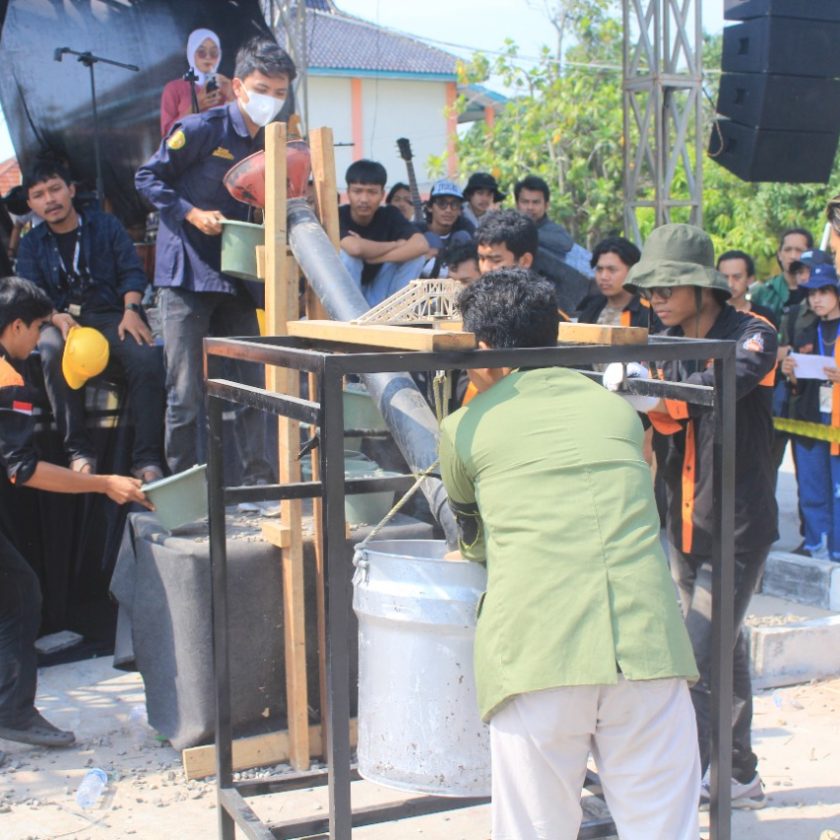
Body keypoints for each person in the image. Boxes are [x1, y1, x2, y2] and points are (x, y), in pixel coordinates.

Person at [439, 268, 700, 840]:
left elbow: (474, 538)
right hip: (649, 648)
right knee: (664, 829)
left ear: (482, 348)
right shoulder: (616, 412)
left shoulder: (463, 428)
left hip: (538, 653)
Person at [624, 223, 778, 810]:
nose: (656, 299)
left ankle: (673, 792)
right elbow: (659, 416)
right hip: (685, 523)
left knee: (696, 658)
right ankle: (738, 774)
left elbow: (725, 380)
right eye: (650, 290)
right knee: (723, 649)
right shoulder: (662, 341)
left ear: (701, 286)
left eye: (666, 288)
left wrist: (656, 394)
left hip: (736, 525)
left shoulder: (752, 332)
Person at [136, 37, 294, 502]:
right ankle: (184, 496)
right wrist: (190, 213)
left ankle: (260, 487)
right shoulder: (199, 127)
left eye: (280, 93)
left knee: (252, 389)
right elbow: (147, 177)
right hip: (187, 274)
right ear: (238, 86)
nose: (271, 100)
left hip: (240, 279)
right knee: (185, 393)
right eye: (262, 89)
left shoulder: (274, 143)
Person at [0, 276, 151, 756]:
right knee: (20, 594)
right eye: (37, 329)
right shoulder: (7, 380)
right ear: (17, 326)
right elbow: (23, 470)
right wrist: (103, 483)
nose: (38, 340)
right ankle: (13, 711)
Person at [16, 162, 166, 482]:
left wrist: (131, 310)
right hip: (58, 320)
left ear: (70, 190)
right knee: (51, 350)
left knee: (146, 356)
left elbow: (132, 273)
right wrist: (54, 316)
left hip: (111, 315)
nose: (50, 199)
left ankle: (147, 458)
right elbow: (30, 295)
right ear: (30, 204)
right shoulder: (31, 243)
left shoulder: (105, 225)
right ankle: (79, 452)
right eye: (39, 195)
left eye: (55, 189)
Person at [780, 264, 840, 560]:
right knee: (812, 487)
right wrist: (790, 372)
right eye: (812, 293)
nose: (816, 299)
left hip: (836, 420)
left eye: (823, 292)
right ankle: (817, 546)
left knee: (837, 489)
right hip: (810, 419)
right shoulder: (805, 329)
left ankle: (837, 551)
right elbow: (797, 385)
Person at [338, 159, 428, 307]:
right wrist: (395, 244)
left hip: (379, 290)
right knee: (350, 257)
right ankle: (350, 314)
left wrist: (373, 258)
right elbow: (355, 248)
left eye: (372, 192)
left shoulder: (389, 214)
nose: (364, 199)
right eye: (357, 191)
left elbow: (421, 245)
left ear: (382, 195)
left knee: (415, 257)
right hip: (345, 297)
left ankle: (396, 313)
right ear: (348, 192)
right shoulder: (338, 215)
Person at [514, 174, 593, 281]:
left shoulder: (553, 231)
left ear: (546, 205)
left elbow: (566, 244)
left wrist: (526, 233)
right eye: (525, 202)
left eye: (536, 202)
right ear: (517, 204)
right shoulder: (510, 229)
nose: (530, 207)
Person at [160, 28, 233, 137]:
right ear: (192, 53)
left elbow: (245, 127)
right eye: (201, 52)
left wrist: (232, 97)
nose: (208, 57)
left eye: (214, 53)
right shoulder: (174, 88)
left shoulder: (227, 85)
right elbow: (167, 134)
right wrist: (196, 106)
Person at [576, 235, 658, 329]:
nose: (604, 277)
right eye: (599, 269)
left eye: (612, 270)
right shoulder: (591, 308)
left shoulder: (650, 313)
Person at [750, 227, 813, 325]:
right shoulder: (762, 292)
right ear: (779, 254)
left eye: (799, 250)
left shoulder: (817, 291)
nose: (793, 256)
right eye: (787, 250)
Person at [418, 179, 475, 278]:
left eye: (454, 204)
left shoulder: (466, 230)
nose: (448, 210)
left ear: (459, 211)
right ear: (430, 207)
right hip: (424, 283)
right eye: (442, 203)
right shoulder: (417, 230)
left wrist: (440, 253)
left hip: (457, 282)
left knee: (462, 237)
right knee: (430, 238)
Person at [716, 250, 776, 327]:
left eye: (737, 277)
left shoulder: (764, 317)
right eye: (725, 277)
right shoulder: (709, 315)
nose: (730, 284)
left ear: (750, 279)